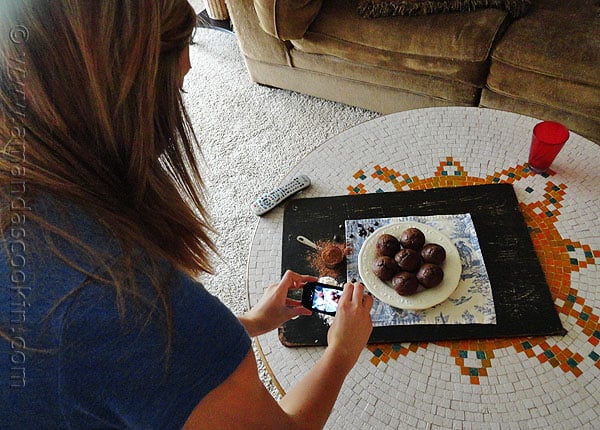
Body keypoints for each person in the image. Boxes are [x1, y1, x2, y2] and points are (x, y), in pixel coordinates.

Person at [0, 1, 373, 428]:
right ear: (132, 103)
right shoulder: (135, 308)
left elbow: (123, 373)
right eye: (175, 90)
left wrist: (249, 324)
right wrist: (341, 353)